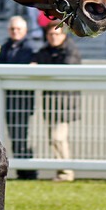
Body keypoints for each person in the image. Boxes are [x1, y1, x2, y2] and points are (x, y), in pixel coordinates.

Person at [34, 22, 82, 182]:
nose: (53, 37)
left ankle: (66, 173)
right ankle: (63, 171)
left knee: (57, 138)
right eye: (50, 35)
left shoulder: (70, 50)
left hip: (64, 103)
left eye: (56, 34)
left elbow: (64, 71)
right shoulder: (46, 49)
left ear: (63, 34)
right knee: (54, 139)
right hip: (51, 102)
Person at [0, 16, 38, 179]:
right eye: (12, 29)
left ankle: (28, 171)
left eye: (18, 29)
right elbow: (0, 64)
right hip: (8, 99)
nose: (15, 32)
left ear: (25, 30)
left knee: (20, 135)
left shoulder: (29, 47)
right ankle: (23, 169)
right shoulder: (6, 46)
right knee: (14, 135)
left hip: (22, 100)